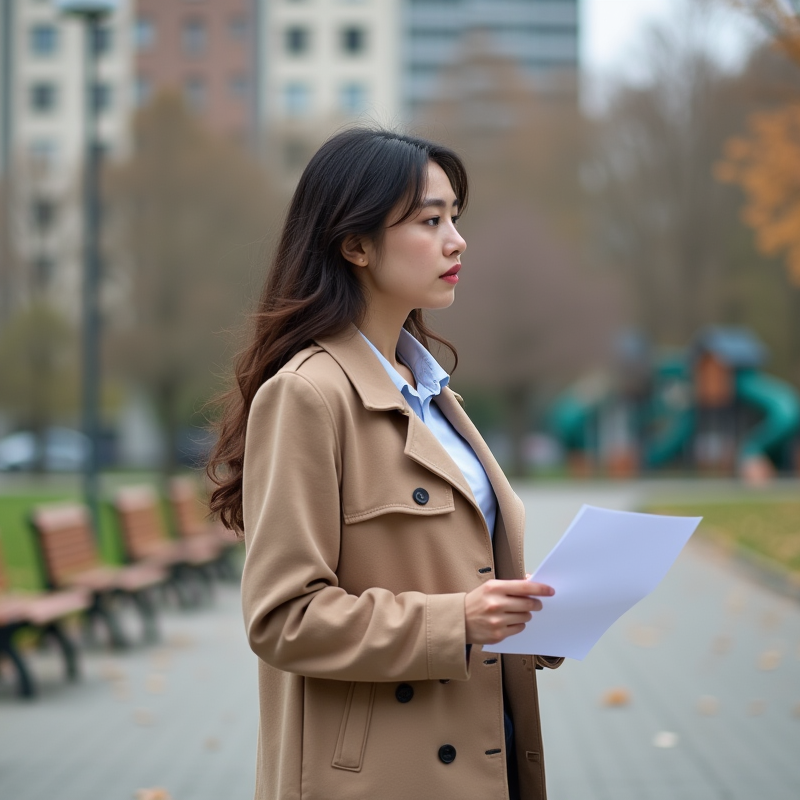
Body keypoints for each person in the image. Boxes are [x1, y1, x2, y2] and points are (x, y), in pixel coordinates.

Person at [208, 128, 563, 800]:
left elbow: (458, 573)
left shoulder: (432, 392)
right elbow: (283, 618)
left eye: (455, 218)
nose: (457, 241)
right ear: (356, 244)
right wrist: (458, 621)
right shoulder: (307, 394)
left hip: (486, 758)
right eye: (431, 221)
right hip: (379, 777)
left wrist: (527, 615)